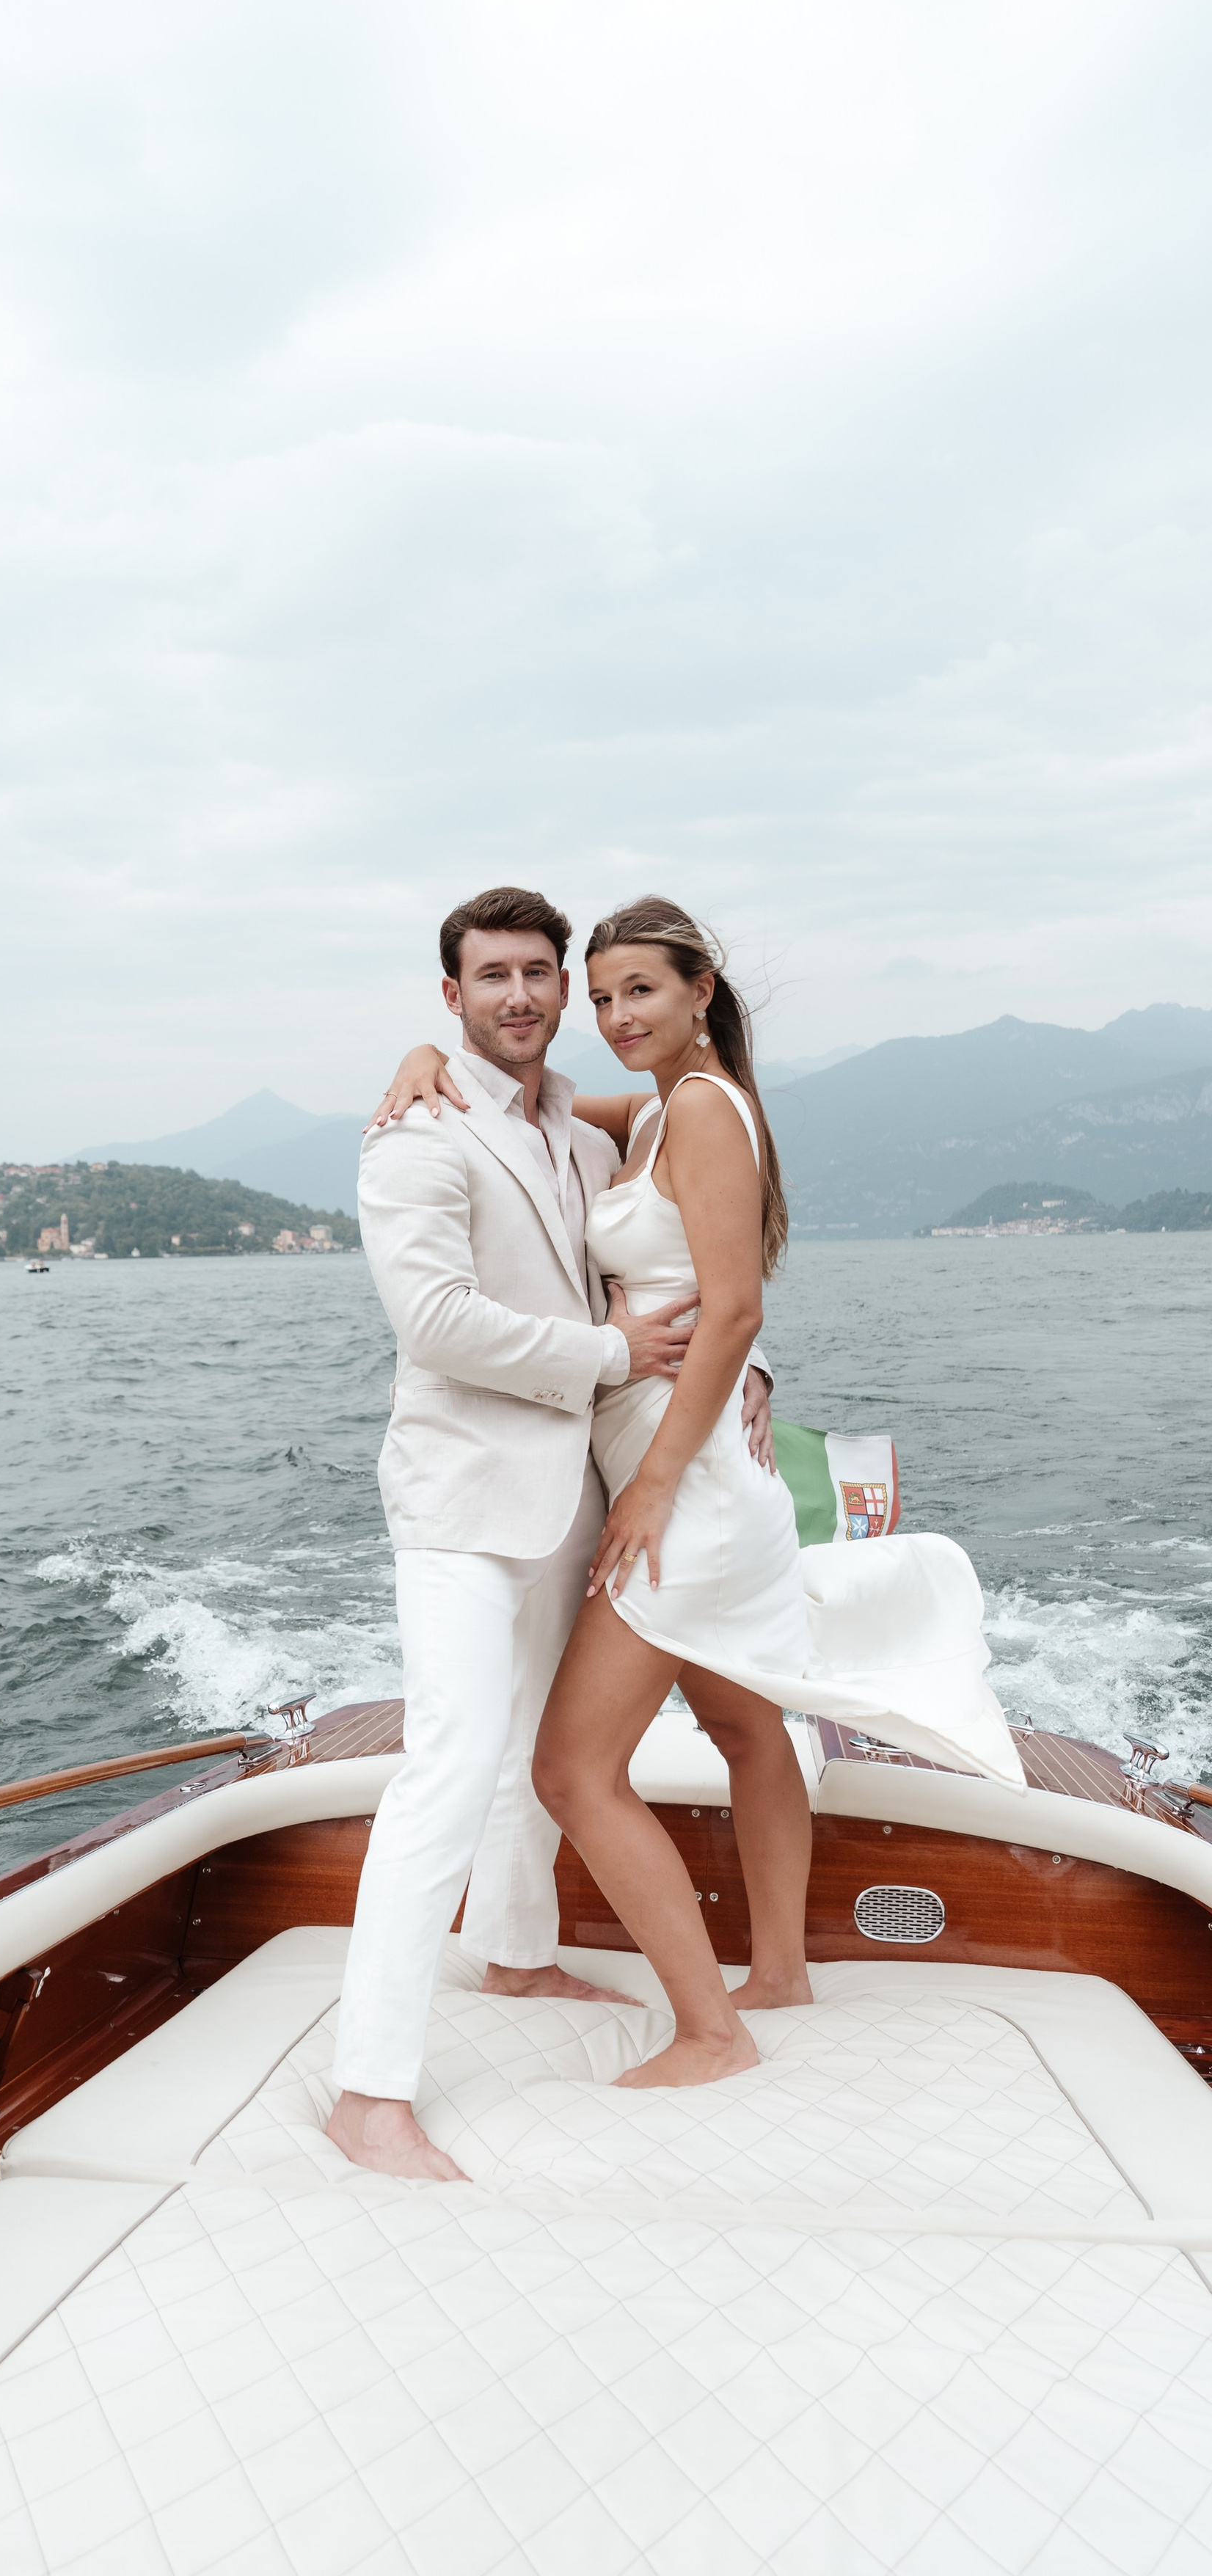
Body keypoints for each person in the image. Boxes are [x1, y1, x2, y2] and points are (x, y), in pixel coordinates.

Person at [375, 895, 1023, 2096]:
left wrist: (655, 1488)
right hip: (687, 1470)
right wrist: (429, 1058)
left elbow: (734, 1310)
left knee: (572, 1769)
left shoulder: (708, 1113)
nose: (619, 1017)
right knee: (742, 1726)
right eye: (606, 994)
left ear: (701, 991)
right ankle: (777, 1972)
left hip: (688, 1489)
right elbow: (539, 1106)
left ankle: (714, 2032)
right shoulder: (664, 1106)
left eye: (643, 993)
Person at [325, 886, 776, 2180]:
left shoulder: (586, 1133)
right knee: (454, 1761)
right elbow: (438, 1324)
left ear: (562, 990)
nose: (519, 995)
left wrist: (745, 1371)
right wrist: (610, 1351)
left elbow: (705, 1256)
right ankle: (370, 2094)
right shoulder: (416, 1134)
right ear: (453, 997)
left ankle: (519, 1956)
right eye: (491, 978)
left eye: (540, 973)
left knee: (535, 1741)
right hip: (464, 1500)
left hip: (576, 1497)